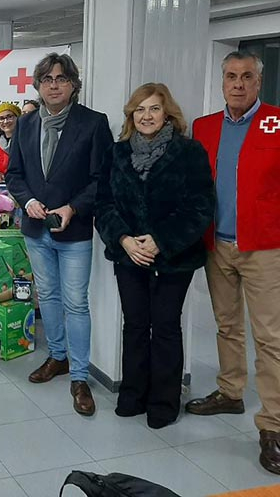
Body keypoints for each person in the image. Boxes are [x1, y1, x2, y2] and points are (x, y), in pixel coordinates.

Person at [95, 83, 214, 429]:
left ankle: (164, 403)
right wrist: (125, 240)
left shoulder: (189, 152)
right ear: (132, 116)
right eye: (140, 110)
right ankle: (132, 395)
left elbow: (200, 206)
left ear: (167, 114)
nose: (147, 116)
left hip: (174, 258)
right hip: (127, 255)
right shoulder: (116, 154)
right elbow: (104, 204)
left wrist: (160, 241)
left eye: (154, 109)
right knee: (134, 326)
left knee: (164, 327)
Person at [186, 51, 280, 475]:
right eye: (230, 76)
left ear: (259, 82)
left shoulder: (276, 122)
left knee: (270, 337)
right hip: (216, 244)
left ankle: (273, 425)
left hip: (264, 247)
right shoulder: (204, 128)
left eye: (246, 77)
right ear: (222, 82)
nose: (238, 84)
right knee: (227, 324)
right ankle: (230, 391)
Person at [5, 52, 113, 416]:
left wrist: (73, 208)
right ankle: (57, 356)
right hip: (36, 228)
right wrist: (28, 200)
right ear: (38, 85)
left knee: (75, 303)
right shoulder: (25, 124)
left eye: (61, 79)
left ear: (73, 85)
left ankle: (80, 377)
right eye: (47, 79)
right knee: (47, 296)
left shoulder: (94, 124)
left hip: (74, 231)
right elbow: (14, 175)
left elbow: (102, 179)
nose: (54, 85)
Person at [0, 102, 22, 175]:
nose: (6, 121)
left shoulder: (27, 140)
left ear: (18, 118)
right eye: (1, 118)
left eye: (9, 117)